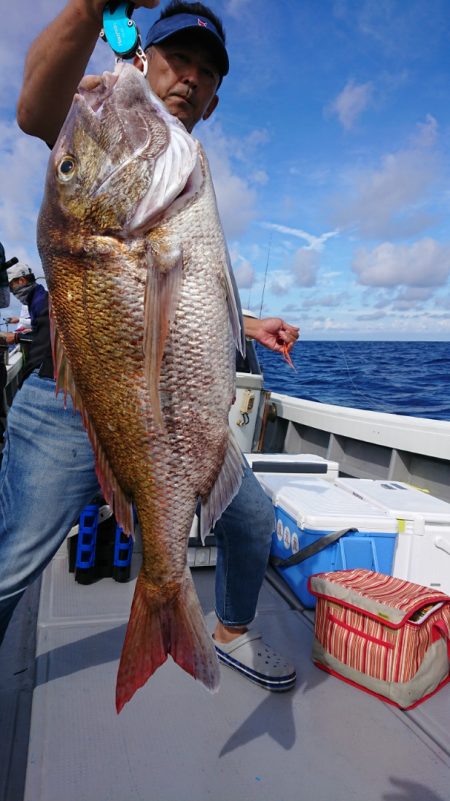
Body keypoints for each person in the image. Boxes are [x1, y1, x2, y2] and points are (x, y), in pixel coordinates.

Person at [2, 0, 300, 691]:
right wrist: (87, 9)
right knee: (10, 561)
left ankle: (225, 629)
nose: (189, 79)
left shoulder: (179, 167)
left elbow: (187, 290)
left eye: (205, 72)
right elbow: (35, 110)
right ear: (144, 58)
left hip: (172, 414)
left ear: (217, 98)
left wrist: (250, 326)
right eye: (177, 59)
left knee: (250, 519)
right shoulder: (102, 132)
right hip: (67, 403)